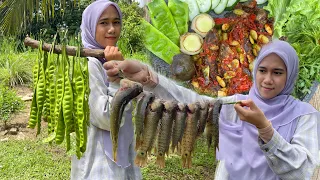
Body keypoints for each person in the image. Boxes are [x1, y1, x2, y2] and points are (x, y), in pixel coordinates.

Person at [104, 40, 320, 179]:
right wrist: (149, 78)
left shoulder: (305, 115)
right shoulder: (238, 103)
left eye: (278, 72)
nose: (267, 79)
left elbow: (302, 171)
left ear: (290, 75)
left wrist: (265, 129)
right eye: (262, 70)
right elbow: (193, 103)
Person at [71, 1, 142, 179]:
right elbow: (106, 118)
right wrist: (116, 78)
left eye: (116, 22)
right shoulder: (89, 65)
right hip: (100, 163)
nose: (112, 29)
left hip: (121, 152)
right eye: (103, 23)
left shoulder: (110, 58)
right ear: (90, 25)